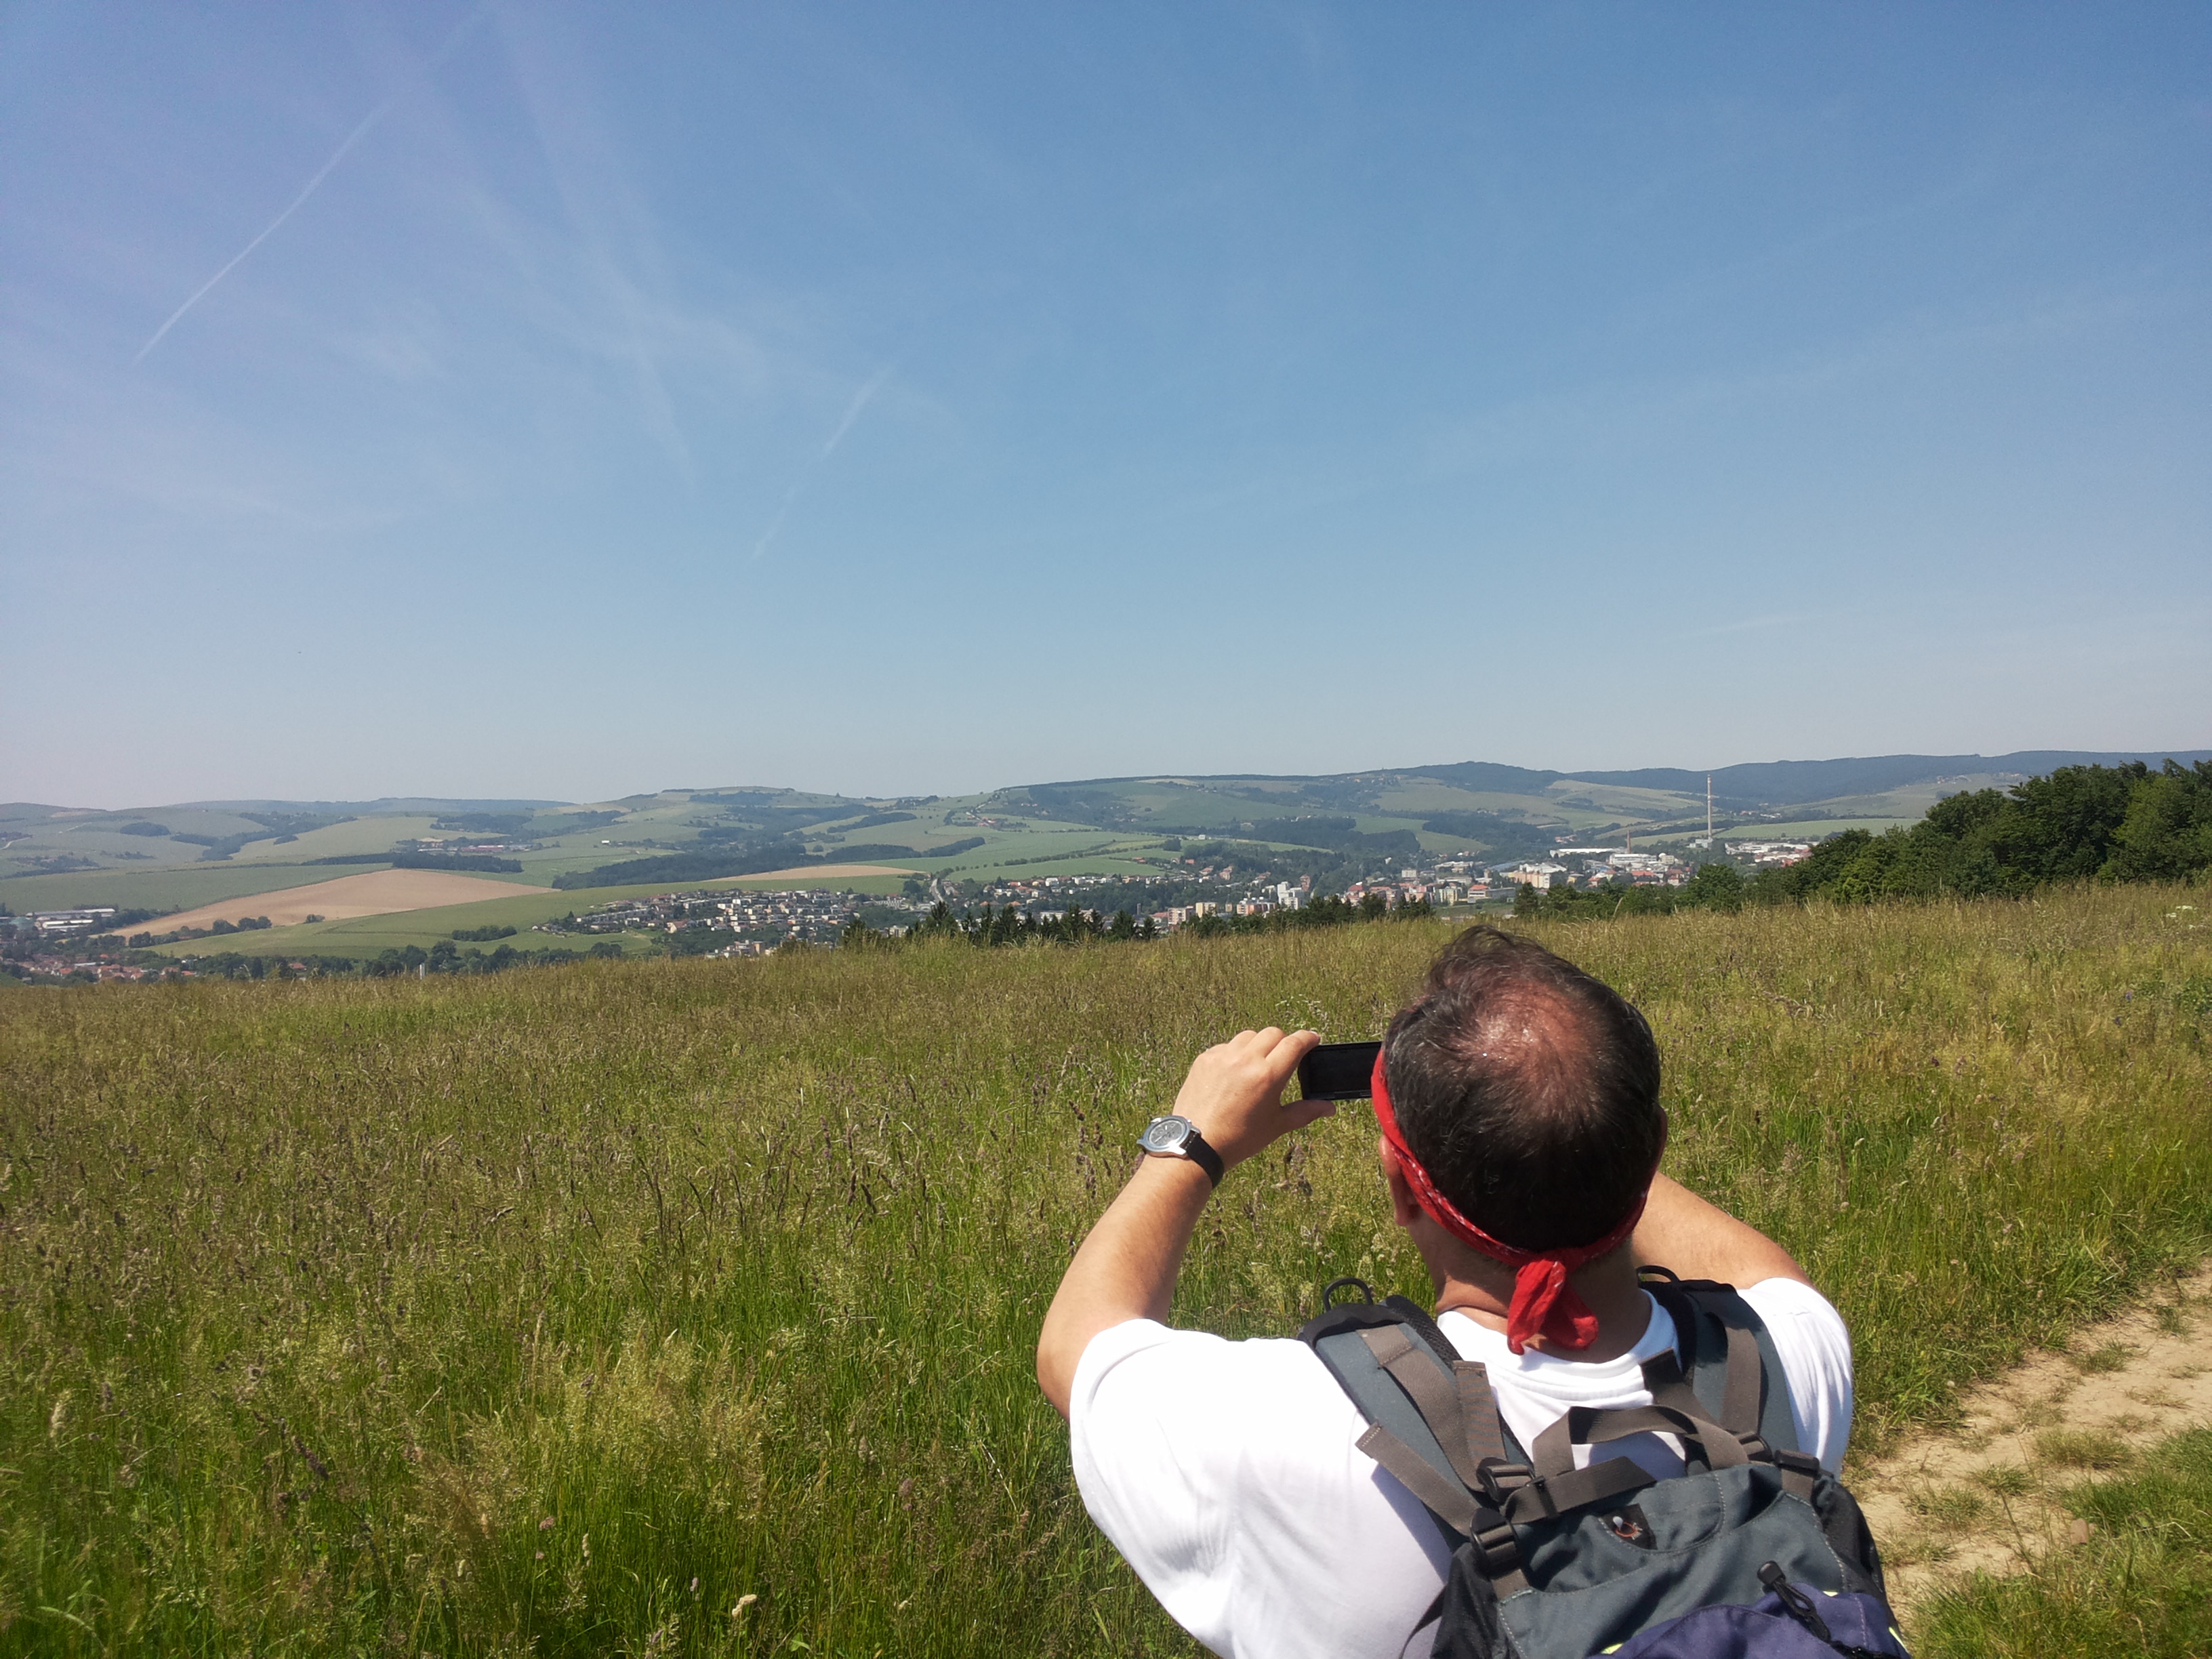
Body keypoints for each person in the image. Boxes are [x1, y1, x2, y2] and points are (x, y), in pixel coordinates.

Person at [1036, 926, 1854, 1659]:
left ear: (1403, 1189)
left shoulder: (1308, 1436)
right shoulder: (1778, 1365)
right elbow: (1763, 1268)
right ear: (1652, 1152)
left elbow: (1078, 1350)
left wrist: (1190, 1143)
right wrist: (1572, 1118)